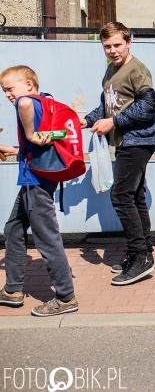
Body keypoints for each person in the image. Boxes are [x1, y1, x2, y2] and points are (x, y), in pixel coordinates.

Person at [83, 21, 155, 286]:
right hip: (126, 140)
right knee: (136, 195)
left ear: (129, 42)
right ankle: (141, 252)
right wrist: (86, 120)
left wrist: (114, 123)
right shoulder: (111, 70)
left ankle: (140, 257)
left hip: (139, 140)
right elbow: (108, 106)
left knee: (121, 196)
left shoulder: (136, 70)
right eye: (107, 46)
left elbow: (149, 107)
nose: (113, 50)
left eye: (118, 45)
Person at [0, 66, 79, 316]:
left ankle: (66, 297)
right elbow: (38, 144)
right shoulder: (44, 101)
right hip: (31, 180)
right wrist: (15, 149)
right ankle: (13, 289)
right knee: (13, 227)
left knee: (46, 237)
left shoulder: (27, 101)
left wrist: (30, 134)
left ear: (29, 84)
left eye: (10, 88)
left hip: (36, 181)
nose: (8, 95)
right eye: (4, 91)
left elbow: (23, 106)